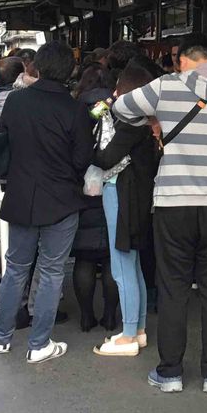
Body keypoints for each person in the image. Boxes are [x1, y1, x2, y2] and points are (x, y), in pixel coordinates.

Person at [112, 32, 207, 393]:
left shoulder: (165, 87)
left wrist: (153, 121)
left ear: (183, 59)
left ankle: (170, 374)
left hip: (173, 204)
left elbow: (120, 107)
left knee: (173, 287)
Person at [0, 42, 92, 364]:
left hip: (21, 195)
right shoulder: (74, 109)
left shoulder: (16, 101)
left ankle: (1, 337)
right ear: (70, 71)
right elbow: (82, 158)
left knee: (16, 268)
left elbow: (4, 142)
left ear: (37, 67)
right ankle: (39, 344)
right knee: (51, 271)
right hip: (61, 199)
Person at [92, 59, 160, 357]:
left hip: (121, 195)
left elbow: (106, 159)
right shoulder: (147, 125)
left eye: (118, 89)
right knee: (133, 264)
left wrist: (94, 141)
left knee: (121, 266)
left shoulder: (130, 126)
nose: (114, 94)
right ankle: (139, 328)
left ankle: (129, 335)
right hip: (139, 198)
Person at [71, 63, 118, 333]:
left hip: (83, 189)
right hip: (115, 184)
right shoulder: (119, 106)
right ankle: (110, 316)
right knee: (112, 257)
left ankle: (86, 316)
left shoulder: (75, 107)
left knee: (85, 257)